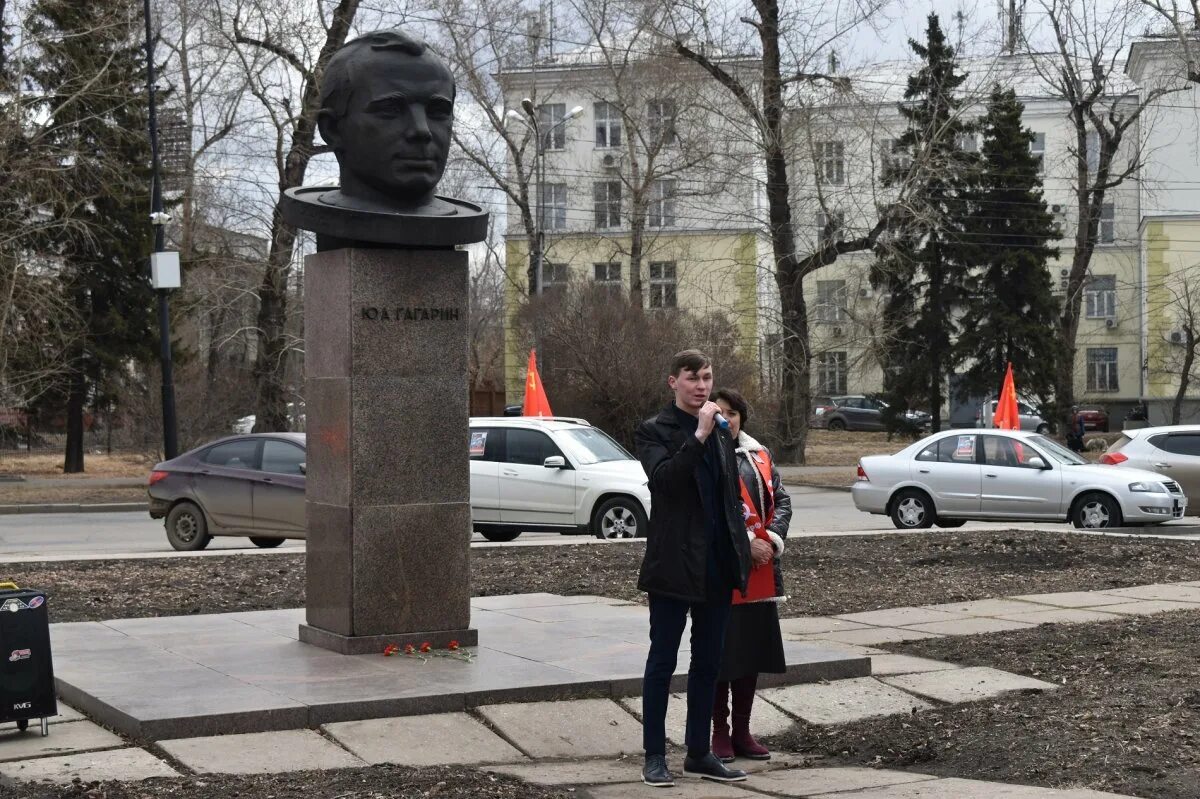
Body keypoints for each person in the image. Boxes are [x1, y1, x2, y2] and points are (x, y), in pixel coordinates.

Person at [635, 350, 752, 788]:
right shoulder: (654, 430)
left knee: (708, 663)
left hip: (716, 563)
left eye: (706, 377)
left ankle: (699, 753)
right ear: (673, 383)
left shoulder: (722, 431)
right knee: (662, 661)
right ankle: (654, 756)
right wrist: (699, 435)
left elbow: (726, 498)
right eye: (692, 378)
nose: (701, 386)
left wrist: (741, 549)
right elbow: (665, 482)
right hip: (673, 563)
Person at [710, 388, 791, 762]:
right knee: (723, 655)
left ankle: (743, 731)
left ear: (742, 416)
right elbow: (710, 511)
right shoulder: (706, 453)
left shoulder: (759, 453)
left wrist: (771, 540)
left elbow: (783, 499)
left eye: (733, 412)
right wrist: (746, 543)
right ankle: (719, 733)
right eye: (720, 412)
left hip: (761, 568)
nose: (727, 418)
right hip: (724, 569)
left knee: (751, 653)